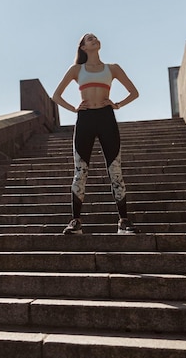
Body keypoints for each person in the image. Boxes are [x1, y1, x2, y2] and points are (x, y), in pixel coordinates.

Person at [52, 33, 140, 234]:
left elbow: (134, 92)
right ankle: (75, 222)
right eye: (89, 38)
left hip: (106, 118)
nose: (94, 39)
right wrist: (74, 108)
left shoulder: (112, 68)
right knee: (80, 171)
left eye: (96, 37)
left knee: (115, 170)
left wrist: (117, 104)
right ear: (83, 47)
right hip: (85, 120)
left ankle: (123, 221)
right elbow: (56, 95)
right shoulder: (76, 70)